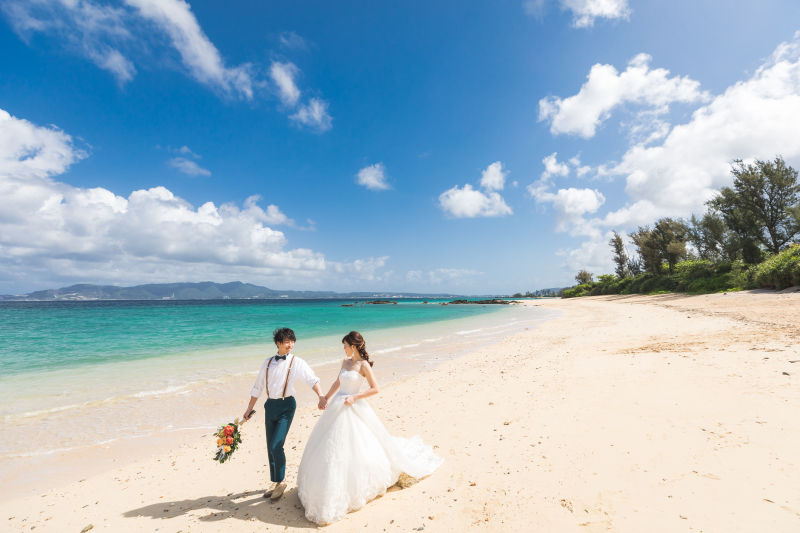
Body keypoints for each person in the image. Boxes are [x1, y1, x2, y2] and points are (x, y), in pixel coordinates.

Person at [296, 331, 443, 525]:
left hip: (353, 405)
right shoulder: (345, 362)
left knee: (358, 446)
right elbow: (337, 383)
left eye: (345, 345)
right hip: (338, 405)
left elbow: (375, 388)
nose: (344, 348)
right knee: (330, 446)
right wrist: (325, 398)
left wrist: (354, 397)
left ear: (353, 346)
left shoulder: (363, 365)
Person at [243, 327, 327, 502]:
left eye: (292, 341)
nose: (291, 345)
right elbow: (257, 387)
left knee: (276, 445)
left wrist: (320, 396)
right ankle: (274, 482)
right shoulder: (267, 363)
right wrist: (249, 408)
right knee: (270, 446)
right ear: (278, 343)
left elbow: (311, 379)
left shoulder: (296, 362)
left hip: (287, 405)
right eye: (287, 342)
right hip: (270, 406)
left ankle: (281, 481)